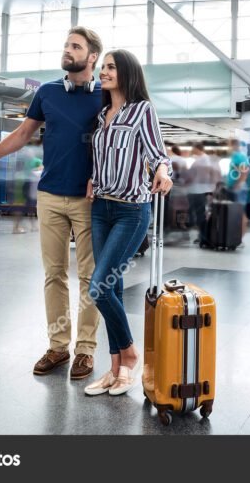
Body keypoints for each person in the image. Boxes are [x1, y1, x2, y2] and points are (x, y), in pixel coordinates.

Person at [0, 26, 104, 380]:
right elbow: (22, 134)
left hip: (89, 199)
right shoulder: (47, 92)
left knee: (90, 276)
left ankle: (86, 349)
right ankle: (58, 346)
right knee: (54, 274)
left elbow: (122, 139)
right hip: (50, 196)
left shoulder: (105, 95)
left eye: (75, 46)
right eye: (66, 45)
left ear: (92, 56)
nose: (67, 50)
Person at [84, 49, 172, 397]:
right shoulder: (102, 114)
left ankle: (131, 355)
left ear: (126, 72)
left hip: (131, 211)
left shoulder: (142, 110)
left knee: (98, 288)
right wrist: (93, 179)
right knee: (114, 289)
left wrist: (163, 171)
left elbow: (158, 153)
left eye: (110, 67)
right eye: (102, 67)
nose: (103, 72)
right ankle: (116, 368)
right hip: (100, 208)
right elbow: (100, 159)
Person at [186, 143, 219, 236]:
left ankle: (203, 236)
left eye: (193, 148)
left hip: (199, 191)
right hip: (196, 190)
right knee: (197, 213)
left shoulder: (204, 160)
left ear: (197, 148)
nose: (192, 150)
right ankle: (201, 235)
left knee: (200, 214)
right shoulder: (201, 159)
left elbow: (207, 175)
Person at [225, 138, 250, 235]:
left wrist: (239, 184)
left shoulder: (240, 156)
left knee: (240, 212)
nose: (228, 148)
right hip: (233, 187)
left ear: (234, 145)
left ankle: (240, 236)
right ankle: (236, 235)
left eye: (229, 145)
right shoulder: (234, 156)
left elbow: (244, 171)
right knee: (236, 212)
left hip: (239, 187)